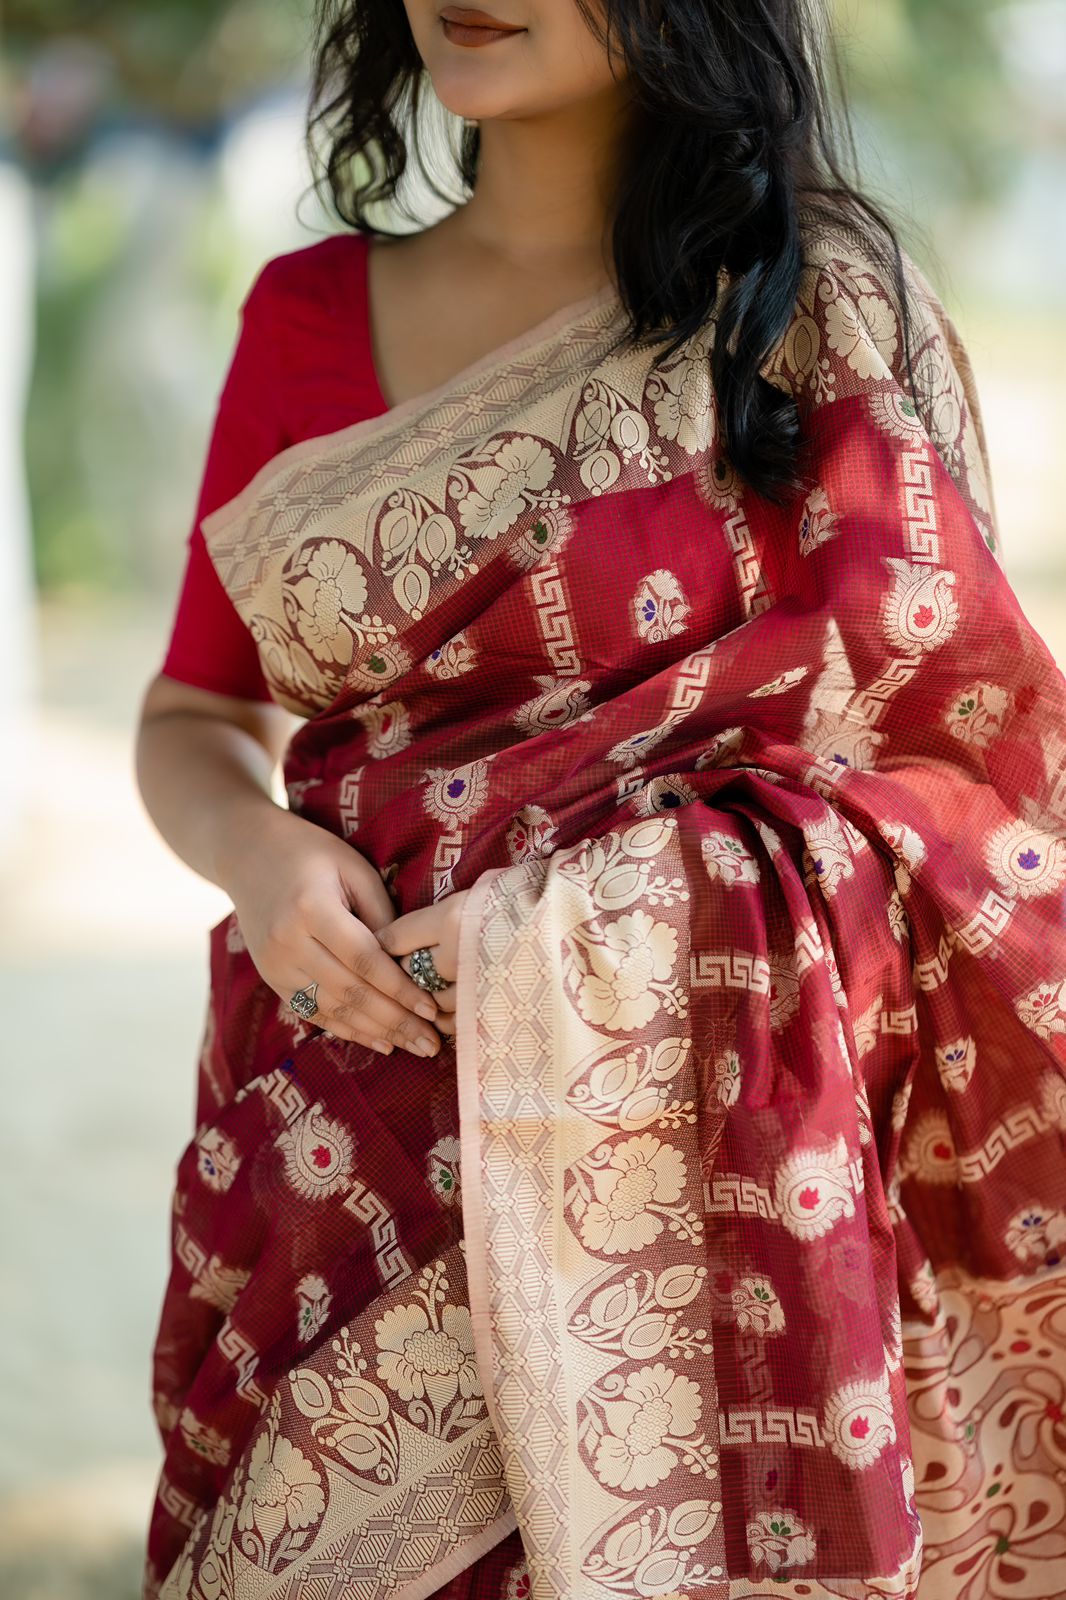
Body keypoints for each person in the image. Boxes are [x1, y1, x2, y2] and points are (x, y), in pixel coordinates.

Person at [134, 0, 1066, 1595]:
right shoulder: (306, 309)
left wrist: (617, 919)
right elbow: (196, 709)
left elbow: (945, 773)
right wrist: (257, 854)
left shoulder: (812, 309)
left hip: (718, 1156)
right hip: (343, 1112)